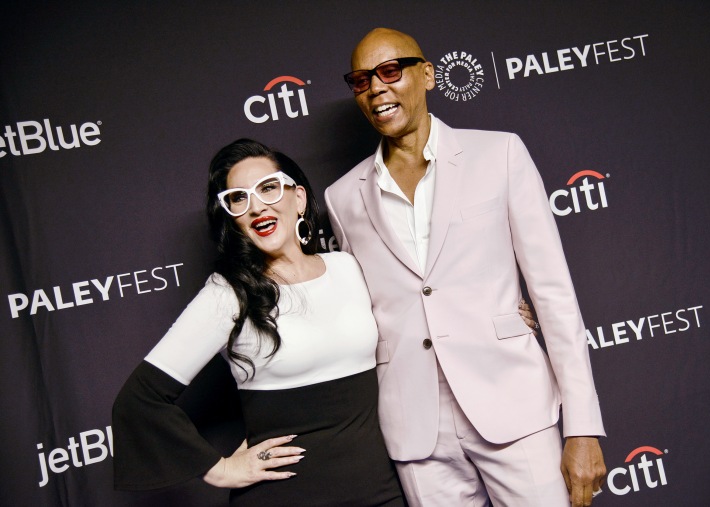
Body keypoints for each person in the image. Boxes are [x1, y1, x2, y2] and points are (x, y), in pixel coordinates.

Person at [325, 28, 606, 507]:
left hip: (514, 408)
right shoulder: (341, 196)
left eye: (390, 71)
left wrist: (582, 426)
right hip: (416, 434)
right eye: (361, 80)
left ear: (428, 74)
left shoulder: (500, 154)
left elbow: (554, 294)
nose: (376, 88)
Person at [112, 139, 405, 506]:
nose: (256, 207)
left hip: (378, 491)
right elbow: (139, 400)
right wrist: (221, 470)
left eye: (268, 188)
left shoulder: (347, 266)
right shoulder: (228, 293)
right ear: (232, 218)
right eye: (239, 198)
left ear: (298, 198)